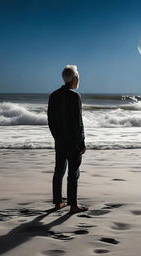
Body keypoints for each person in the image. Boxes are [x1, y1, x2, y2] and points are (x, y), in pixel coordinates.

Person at [47, 65, 88, 214]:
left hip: (60, 141)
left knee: (59, 171)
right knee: (73, 173)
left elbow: (50, 121)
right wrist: (82, 142)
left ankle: (58, 203)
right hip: (73, 142)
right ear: (75, 79)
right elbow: (78, 123)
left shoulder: (54, 95)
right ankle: (73, 205)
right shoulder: (75, 96)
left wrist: (57, 138)